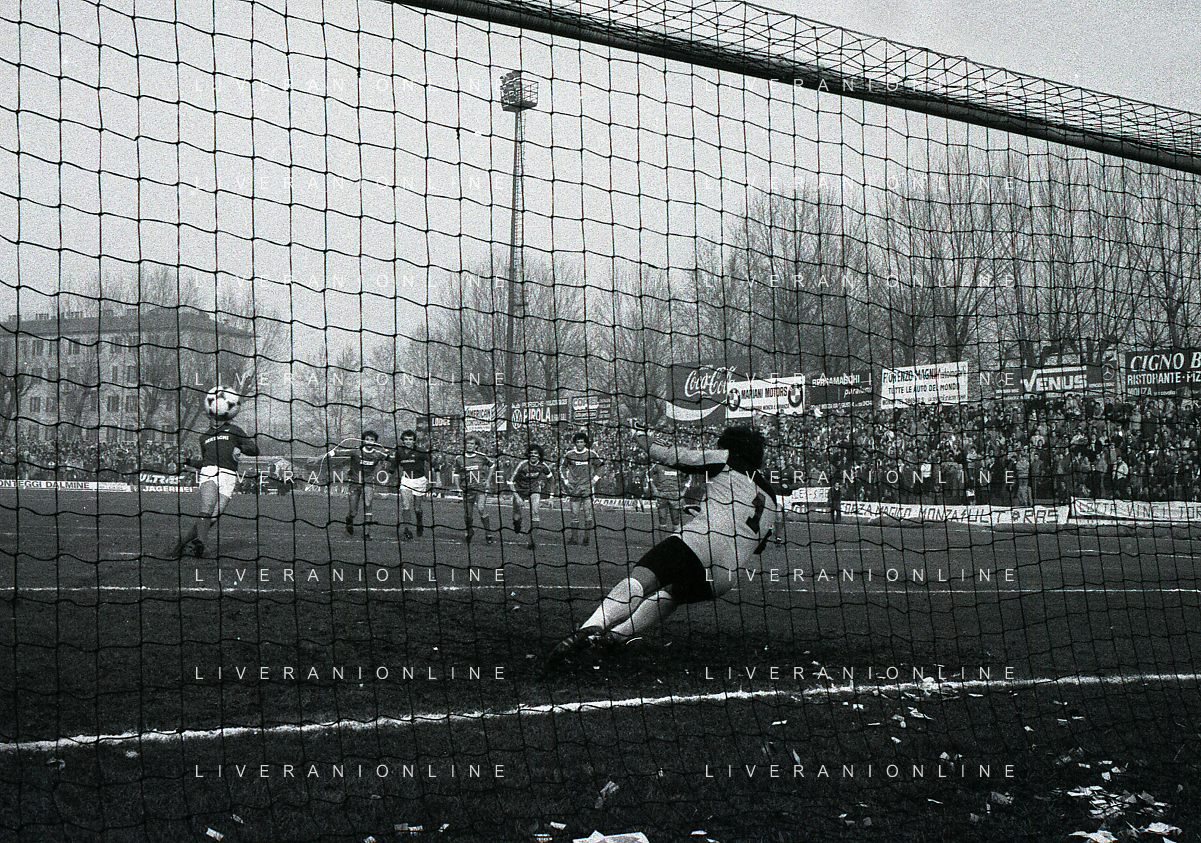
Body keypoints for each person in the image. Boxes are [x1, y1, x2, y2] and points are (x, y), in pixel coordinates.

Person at [547, 424, 778, 666]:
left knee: (642, 578)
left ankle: (589, 628)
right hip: (726, 575)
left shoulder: (727, 458)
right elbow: (758, 544)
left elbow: (671, 456)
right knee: (673, 594)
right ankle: (617, 636)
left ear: (730, 446)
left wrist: (641, 436)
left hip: (700, 541)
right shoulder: (772, 497)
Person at [170, 396, 259, 559]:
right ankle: (201, 543)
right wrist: (188, 461)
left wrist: (241, 448)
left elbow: (255, 450)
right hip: (209, 472)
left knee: (213, 517)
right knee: (208, 505)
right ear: (209, 415)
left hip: (229, 475)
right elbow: (205, 462)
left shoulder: (235, 430)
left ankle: (182, 543)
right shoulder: (204, 437)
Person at [337, 430, 391, 539]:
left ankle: (367, 533)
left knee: (368, 505)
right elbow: (336, 452)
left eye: (372, 440)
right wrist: (319, 458)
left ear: (375, 442)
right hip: (354, 483)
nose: (369, 441)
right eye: (367, 439)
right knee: (353, 512)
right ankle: (349, 520)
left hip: (368, 483)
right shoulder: (356, 452)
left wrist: (390, 454)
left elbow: (392, 459)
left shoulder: (378, 454)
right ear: (363, 441)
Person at [560, 432, 604, 546]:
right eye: (577, 442)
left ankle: (586, 538)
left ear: (585, 443)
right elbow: (562, 467)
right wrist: (566, 481)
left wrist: (595, 479)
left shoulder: (591, 454)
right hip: (574, 487)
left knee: (587, 513)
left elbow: (601, 466)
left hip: (586, 487)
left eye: (581, 442)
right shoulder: (569, 454)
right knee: (574, 514)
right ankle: (574, 538)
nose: (579, 444)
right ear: (575, 443)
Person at [509, 444, 554, 549]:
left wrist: (551, 497)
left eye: (535, 453)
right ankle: (517, 525)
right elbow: (510, 482)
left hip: (534, 490)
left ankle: (533, 541)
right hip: (520, 490)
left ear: (539, 455)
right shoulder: (522, 465)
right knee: (517, 516)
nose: (533, 455)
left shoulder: (543, 465)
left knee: (535, 512)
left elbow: (551, 479)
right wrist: (517, 497)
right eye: (531, 453)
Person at [393, 429, 431, 540]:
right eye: (406, 439)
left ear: (414, 441)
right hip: (406, 480)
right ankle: (407, 530)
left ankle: (419, 522)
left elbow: (432, 461)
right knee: (405, 505)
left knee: (417, 507)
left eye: (410, 439)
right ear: (403, 441)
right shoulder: (399, 452)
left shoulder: (421, 451)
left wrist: (436, 475)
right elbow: (394, 464)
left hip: (419, 481)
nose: (408, 441)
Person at [458, 434, 495, 544]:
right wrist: (458, 488)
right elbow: (456, 474)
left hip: (480, 488)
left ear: (476, 445)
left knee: (481, 508)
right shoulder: (459, 459)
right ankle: (470, 531)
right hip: (467, 489)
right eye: (468, 443)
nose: (469, 445)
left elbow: (492, 466)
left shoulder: (481, 457)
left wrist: (488, 480)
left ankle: (488, 533)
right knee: (468, 514)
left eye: (472, 444)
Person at [646, 458, 684, 539]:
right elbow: (648, 474)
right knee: (662, 518)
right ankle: (662, 542)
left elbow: (689, 476)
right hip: (662, 495)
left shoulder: (679, 466)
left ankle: (675, 541)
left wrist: (684, 490)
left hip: (674, 495)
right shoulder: (658, 465)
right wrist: (654, 488)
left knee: (676, 520)